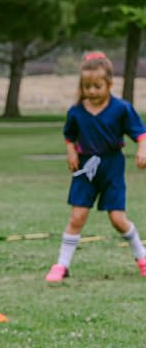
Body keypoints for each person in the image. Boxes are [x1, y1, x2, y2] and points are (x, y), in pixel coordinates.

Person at [45, 52, 146, 282]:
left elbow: (141, 134)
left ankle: (142, 257)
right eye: (87, 86)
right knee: (77, 217)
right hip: (85, 169)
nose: (91, 91)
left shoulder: (121, 109)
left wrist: (142, 150)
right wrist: (71, 152)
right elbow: (69, 136)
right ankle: (61, 265)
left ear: (109, 83)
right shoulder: (76, 112)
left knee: (118, 219)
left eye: (97, 86)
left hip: (112, 167)